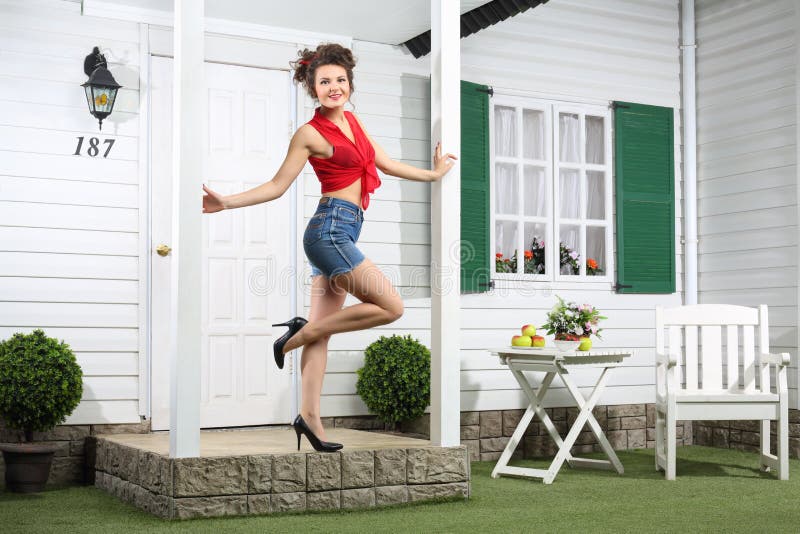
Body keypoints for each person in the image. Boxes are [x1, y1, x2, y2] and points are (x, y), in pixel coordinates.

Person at [202, 43, 456, 452]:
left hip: (346, 229)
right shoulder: (309, 134)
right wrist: (225, 202)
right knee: (392, 306)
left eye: (340, 80)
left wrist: (434, 173)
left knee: (322, 336)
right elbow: (276, 185)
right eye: (325, 82)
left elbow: (385, 164)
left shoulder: (354, 122)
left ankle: (310, 417)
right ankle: (293, 337)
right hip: (329, 231)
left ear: (349, 84)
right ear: (312, 88)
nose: (334, 87)